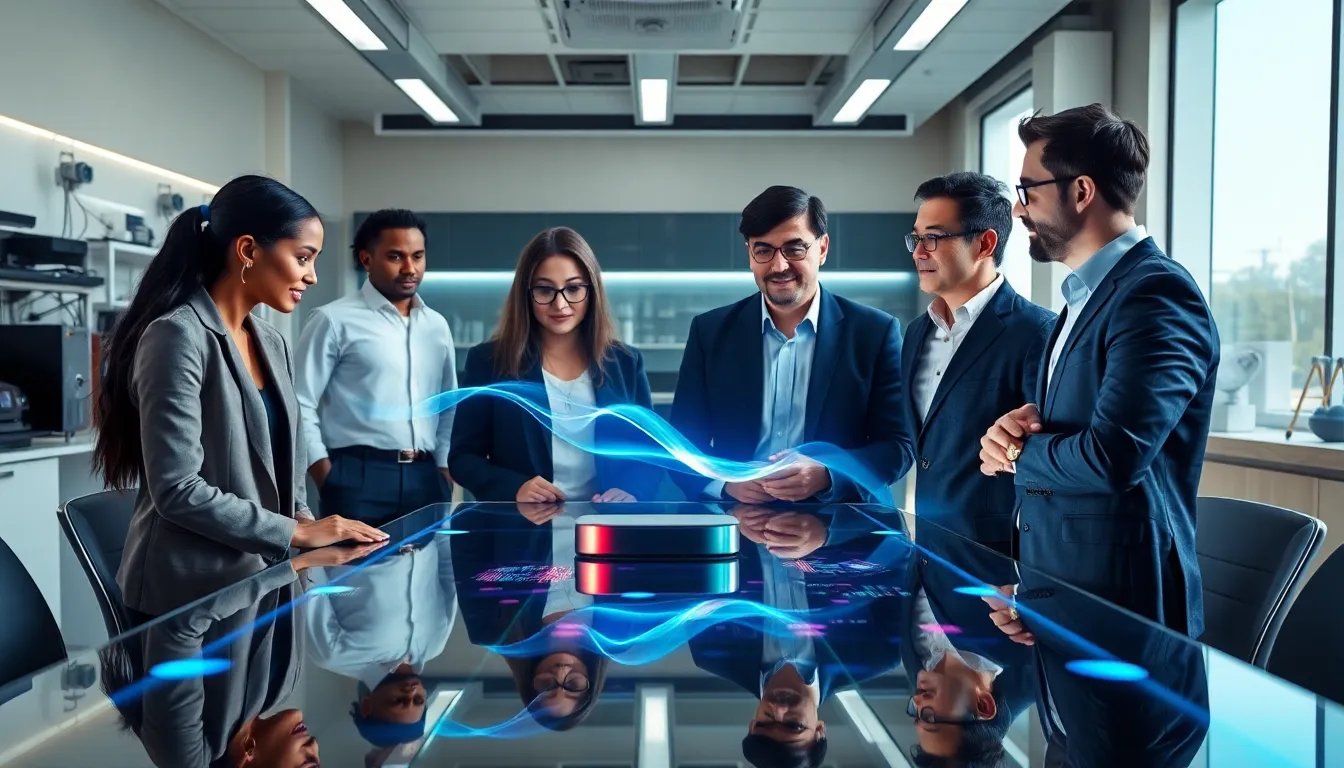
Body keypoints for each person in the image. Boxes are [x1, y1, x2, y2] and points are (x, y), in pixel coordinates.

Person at [94, 175, 388, 620]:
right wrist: (296, 532)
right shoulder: (176, 336)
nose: (311, 276)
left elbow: (287, 467)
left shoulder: (271, 341)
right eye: (303, 257)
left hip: (258, 582)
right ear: (249, 251)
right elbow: (177, 489)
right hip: (186, 596)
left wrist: (307, 524)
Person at [978, 104, 1220, 637]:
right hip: (1067, 595)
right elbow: (1078, 430)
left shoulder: (1156, 295)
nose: (1019, 211)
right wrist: (1020, 428)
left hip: (1126, 612)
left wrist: (1018, 453)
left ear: (1081, 191)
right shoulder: (1080, 300)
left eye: (1028, 192)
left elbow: (1113, 458)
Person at [671, 186, 914, 504]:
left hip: (840, 528)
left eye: (794, 249)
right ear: (750, 254)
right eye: (764, 250)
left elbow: (897, 446)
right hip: (735, 525)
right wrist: (725, 484)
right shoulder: (710, 331)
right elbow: (681, 443)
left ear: (823, 248)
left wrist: (827, 475)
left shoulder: (874, 332)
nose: (779, 265)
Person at [449, 227, 661, 503]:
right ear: (526, 293)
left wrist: (633, 491)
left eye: (573, 288)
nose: (560, 304)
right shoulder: (490, 362)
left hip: (605, 532)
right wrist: (515, 488)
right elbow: (463, 458)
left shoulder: (625, 363)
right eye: (545, 290)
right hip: (522, 532)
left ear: (592, 290)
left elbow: (651, 454)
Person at [903, 173, 1055, 555]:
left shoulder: (1038, 333)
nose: (919, 252)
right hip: (928, 550)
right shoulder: (916, 333)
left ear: (985, 243)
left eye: (933, 238)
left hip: (1000, 562)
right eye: (916, 238)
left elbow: (1046, 465)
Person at [295, 209, 457, 527]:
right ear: (367, 260)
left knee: (425, 575)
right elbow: (299, 401)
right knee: (355, 574)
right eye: (395, 256)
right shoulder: (332, 320)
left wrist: (443, 470)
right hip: (357, 477)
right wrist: (325, 473)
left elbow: (448, 403)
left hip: (426, 479)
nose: (410, 268)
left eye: (418, 256)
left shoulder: (437, 326)